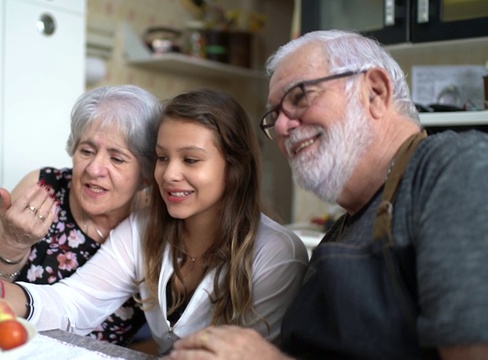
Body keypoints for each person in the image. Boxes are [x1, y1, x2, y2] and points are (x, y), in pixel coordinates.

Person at [167, 29, 488, 360]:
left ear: (375, 93)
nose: (280, 127)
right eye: (275, 115)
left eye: (299, 97)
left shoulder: (455, 168)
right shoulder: (342, 230)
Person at [0, 88, 308, 355]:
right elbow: (73, 303)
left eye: (190, 160)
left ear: (235, 168)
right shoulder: (144, 228)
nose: (169, 174)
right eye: (162, 157)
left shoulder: (276, 254)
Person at [0, 85, 162, 346]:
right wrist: (13, 244)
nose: (94, 168)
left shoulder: (154, 222)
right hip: (13, 345)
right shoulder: (42, 190)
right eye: (87, 151)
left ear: (147, 173)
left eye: (117, 158)